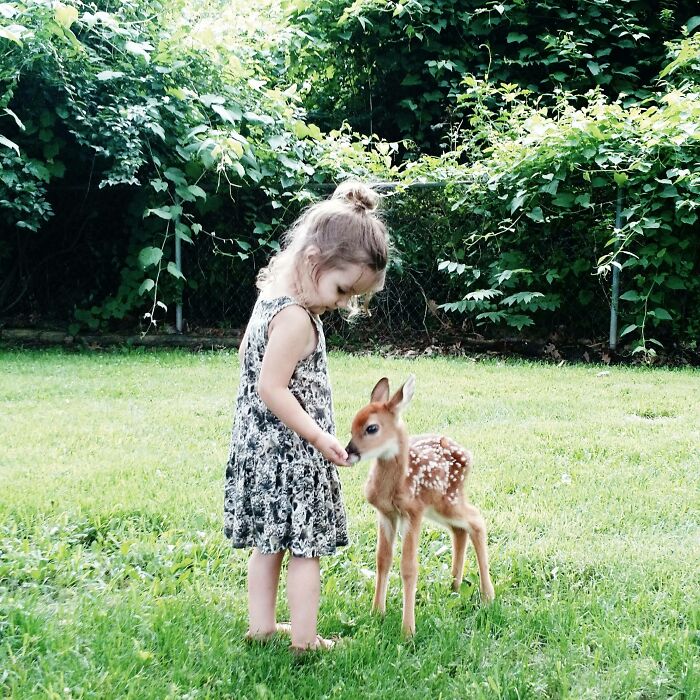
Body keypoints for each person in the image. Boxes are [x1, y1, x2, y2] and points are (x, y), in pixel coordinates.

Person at [224, 181, 390, 652]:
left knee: (268, 543)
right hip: (292, 454)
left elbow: (246, 358)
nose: (342, 303)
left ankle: (260, 627)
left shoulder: (270, 300)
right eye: (342, 290)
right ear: (314, 258)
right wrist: (318, 436)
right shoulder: (296, 317)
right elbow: (270, 386)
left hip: (259, 448)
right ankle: (304, 639)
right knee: (305, 550)